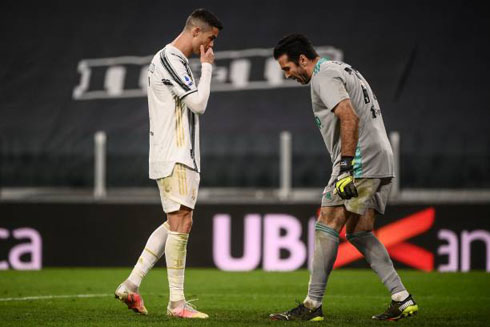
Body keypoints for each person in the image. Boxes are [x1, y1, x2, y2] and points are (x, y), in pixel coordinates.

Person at [269, 34, 418, 322]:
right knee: (359, 232)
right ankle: (402, 298)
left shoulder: (323, 76)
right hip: (382, 159)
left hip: (359, 162)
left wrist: (346, 167)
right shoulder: (343, 68)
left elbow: (349, 117)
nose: (287, 76)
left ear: (302, 59)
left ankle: (312, 305)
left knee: (327, 223)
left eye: (287, 68)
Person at [114, 8, 223, 319]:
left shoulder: (171, 61)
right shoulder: (171, 59)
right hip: (176, 154)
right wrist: (207, 69)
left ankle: (131, 285)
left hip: (175, 153)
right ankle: (177, 304)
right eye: (210, 39)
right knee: (182, 224)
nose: (211, 47)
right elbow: (198, 104)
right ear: (196, 32)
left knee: (176, 223)